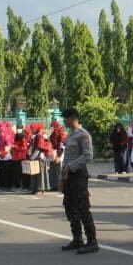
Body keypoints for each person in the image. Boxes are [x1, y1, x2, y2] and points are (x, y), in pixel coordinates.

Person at [60, 108, 98, 254]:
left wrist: (70, 167)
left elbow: (88, 156)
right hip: (68, 175)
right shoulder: (71, 134)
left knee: (83, 207)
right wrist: (62, 176)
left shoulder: (83, 135)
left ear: (71, 118)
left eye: (65, 118)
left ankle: (92, 241)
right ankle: (77, 238)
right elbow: (67, 156)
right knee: (69, 206)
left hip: (79, 174)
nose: (64, 120)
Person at [29, 123, 53, 194]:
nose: (31, 130)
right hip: (37, 157)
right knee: (36, 173)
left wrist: (32, 157)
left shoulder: (40, 136)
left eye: (32, 128)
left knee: (40, 173)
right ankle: (37, 188)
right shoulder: (37, 135)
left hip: (39, 157)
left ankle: (40, 189)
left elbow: (39, 148)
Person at [48, 121, 67, 191]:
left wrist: (58, 156)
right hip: (53, 153)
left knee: (59, 171)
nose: (51, 128)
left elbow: (63, 147)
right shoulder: (53, 134)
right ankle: (53, 186)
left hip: (60, 153)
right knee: (52, 170)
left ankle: (60, 186)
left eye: (52, 126)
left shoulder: (62, 135)